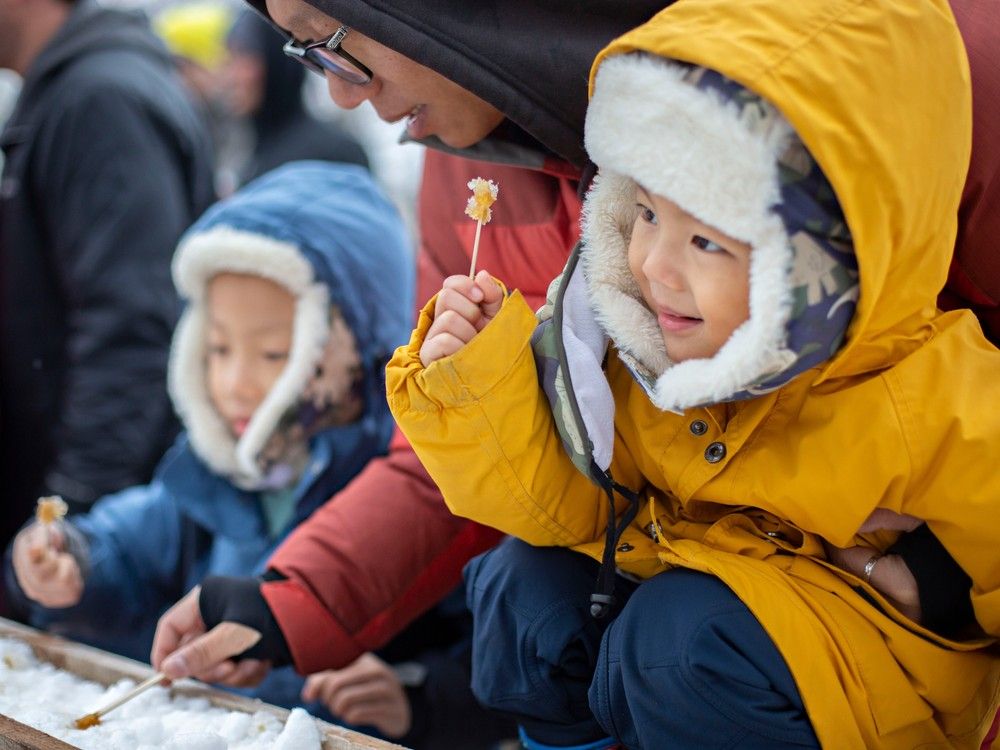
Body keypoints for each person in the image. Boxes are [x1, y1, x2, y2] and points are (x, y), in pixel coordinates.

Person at [150, 0, 1000, 695]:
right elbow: (477, 453)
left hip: (862, 627)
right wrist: (290, 600)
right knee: (528, 603)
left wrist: (948, 575)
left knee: (681, 645)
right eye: (305, 53)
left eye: (337, 41)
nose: (338, 95)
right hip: (671, 601)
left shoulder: (881, 58)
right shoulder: (468, 175)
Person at [386, 1, 1000, 747]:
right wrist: (477, 381)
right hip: (688, 624)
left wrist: (936, 586)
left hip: (852, 687)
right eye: (646, 213)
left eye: (706, 241)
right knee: (526, 592)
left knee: (676, 642)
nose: (654, 266)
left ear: (821, 259)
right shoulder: (643, 351)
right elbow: (570, 510)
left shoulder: (923, 394)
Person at [5, 161, 414, 722]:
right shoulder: (212, 475)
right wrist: (69, 562)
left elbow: (475, 643)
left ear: (353, 356)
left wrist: (419, 696)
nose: (235, 383)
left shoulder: (404, 491)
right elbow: (128, 546)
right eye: (218, 348)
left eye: (274, 354)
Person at [0, 0, 216, 595]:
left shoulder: (99, 99)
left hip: (104, 531)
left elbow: (131, 329)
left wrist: (70, 517)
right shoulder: (66, 90)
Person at [220, 9, 368, 189]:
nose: (230, 77)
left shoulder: (331, 155)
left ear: (276, 61)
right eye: (229, 59)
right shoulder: (250, 155)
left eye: (243, 58)